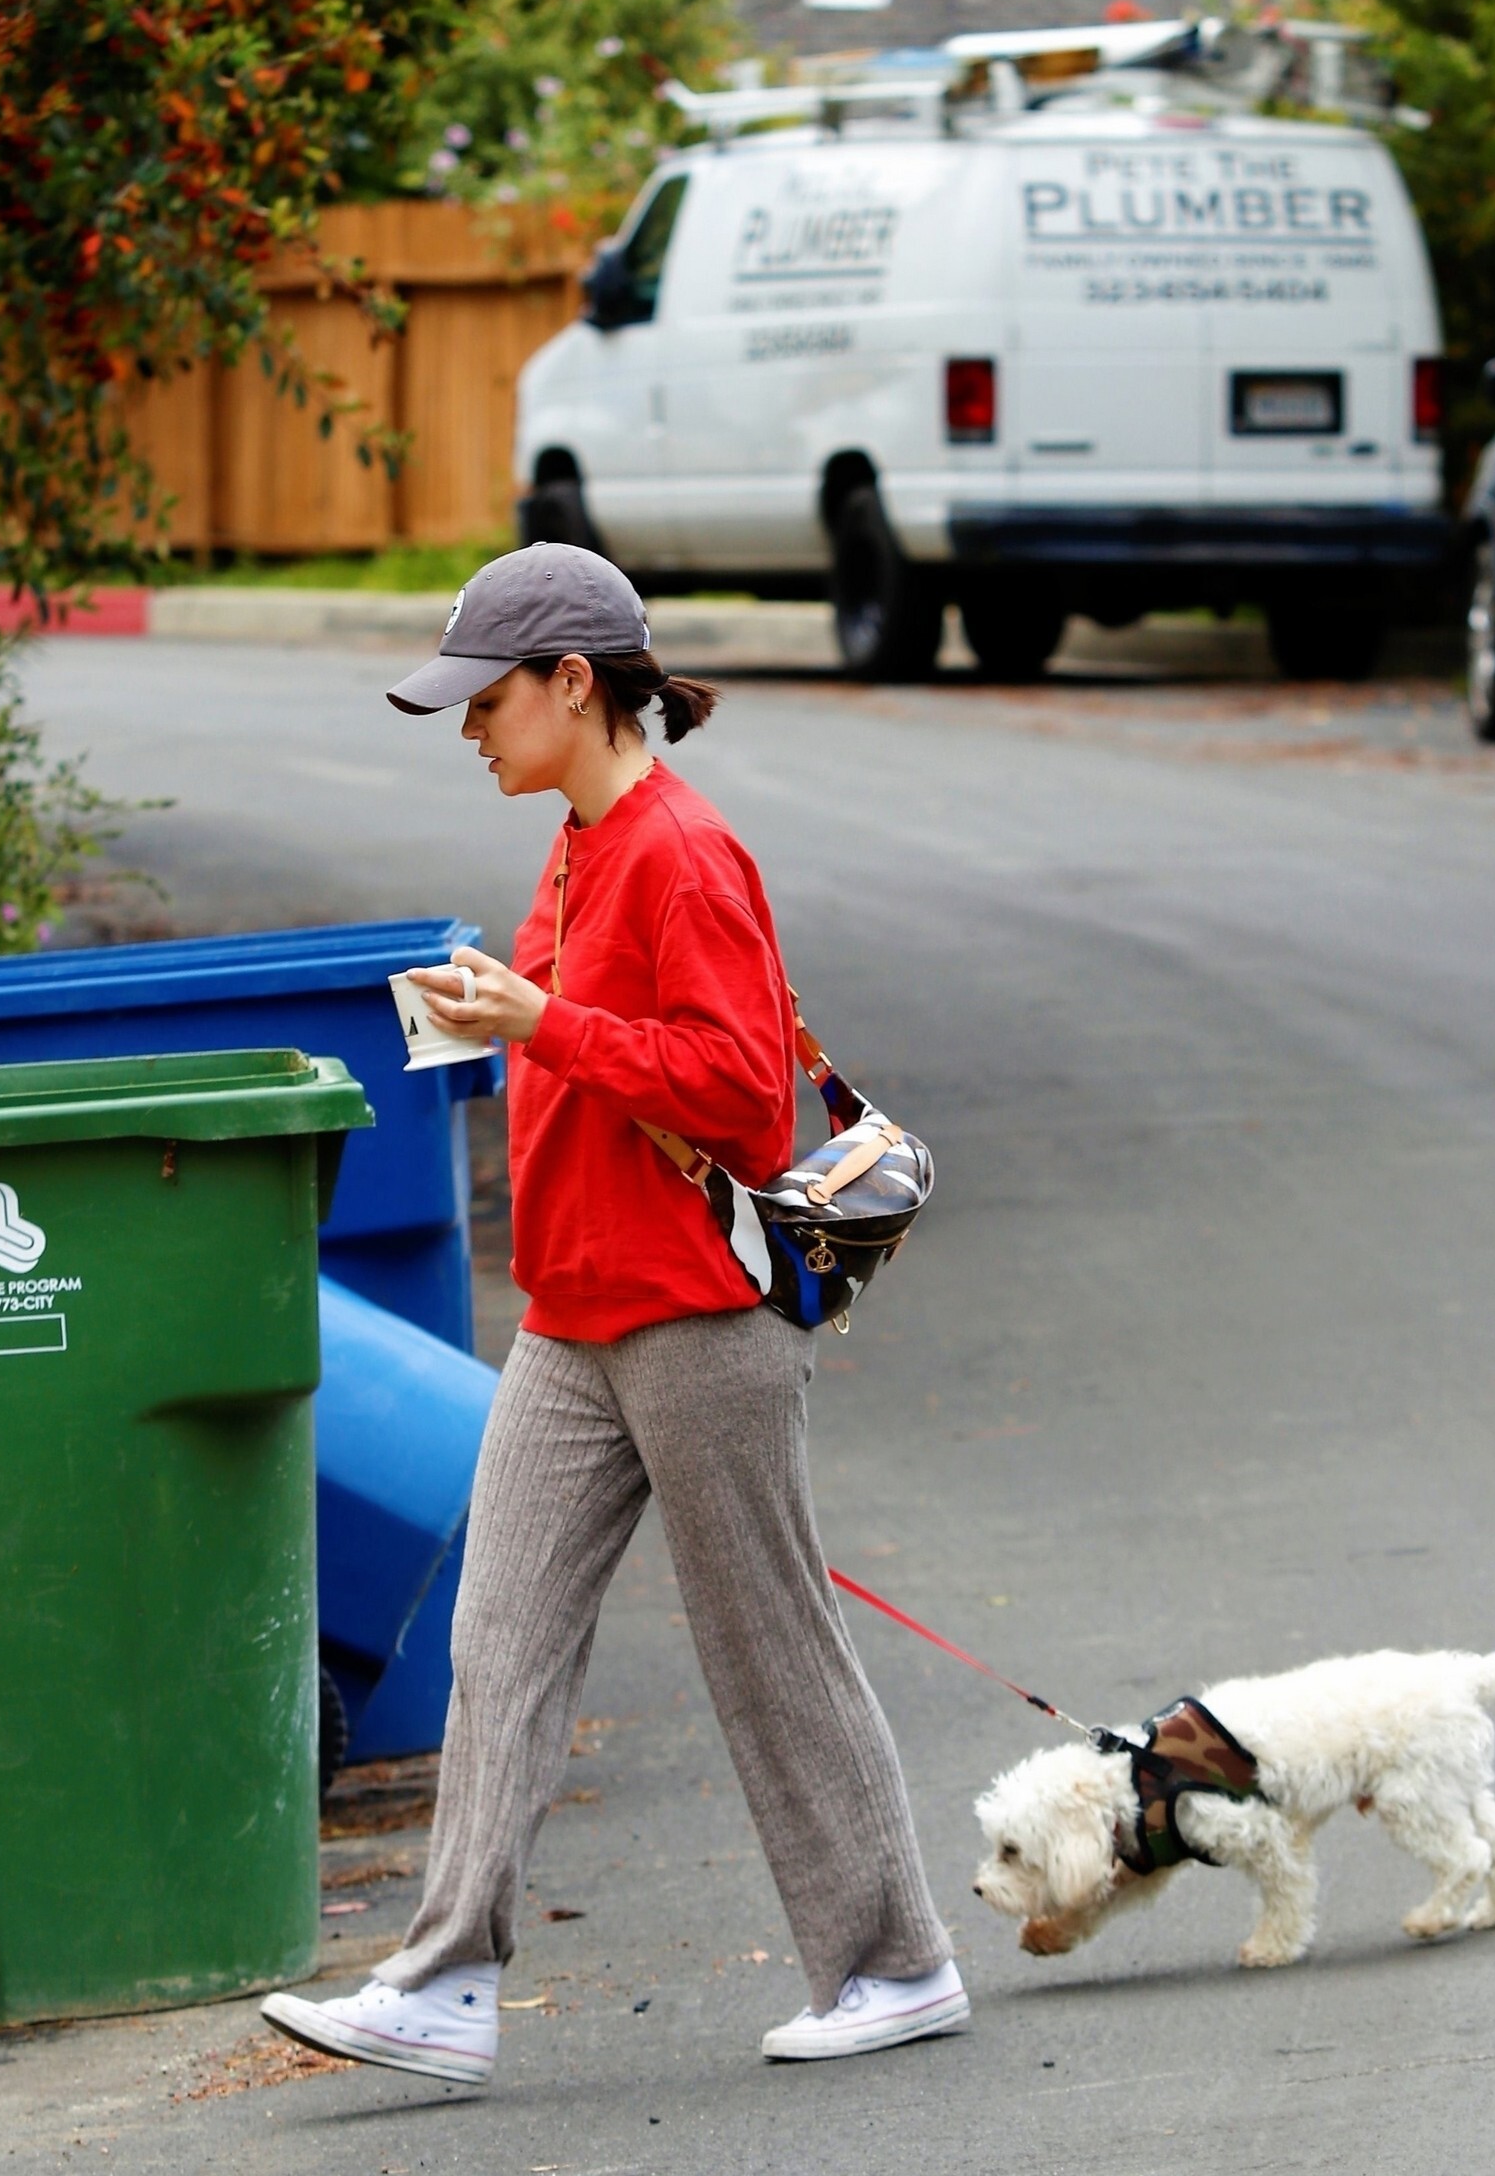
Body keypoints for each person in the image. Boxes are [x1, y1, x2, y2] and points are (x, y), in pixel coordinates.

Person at [260, 543, 965, 2085]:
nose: (469, 728)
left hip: (697, 1312)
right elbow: (583, 1042)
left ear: (575, 683)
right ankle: (446, 1982)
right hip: (574, 1311)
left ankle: (895, 1962)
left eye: (487, 698)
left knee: (768, 1644)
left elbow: (739, 1096)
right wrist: (494, 1019)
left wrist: (549, 1020)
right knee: (499, 1635)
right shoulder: (580, 841)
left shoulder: (682, 853)